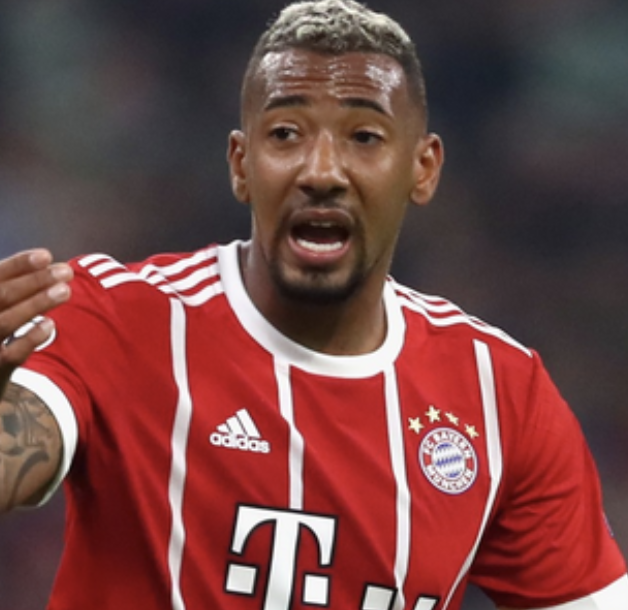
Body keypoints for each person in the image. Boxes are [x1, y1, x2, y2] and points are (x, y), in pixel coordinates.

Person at [0, 0, 626, 608]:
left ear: (423, 168)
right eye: (285, 134)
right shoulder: (117, 317)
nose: (321, 171)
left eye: (364, 136)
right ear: (241, 164)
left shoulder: (500, 395)